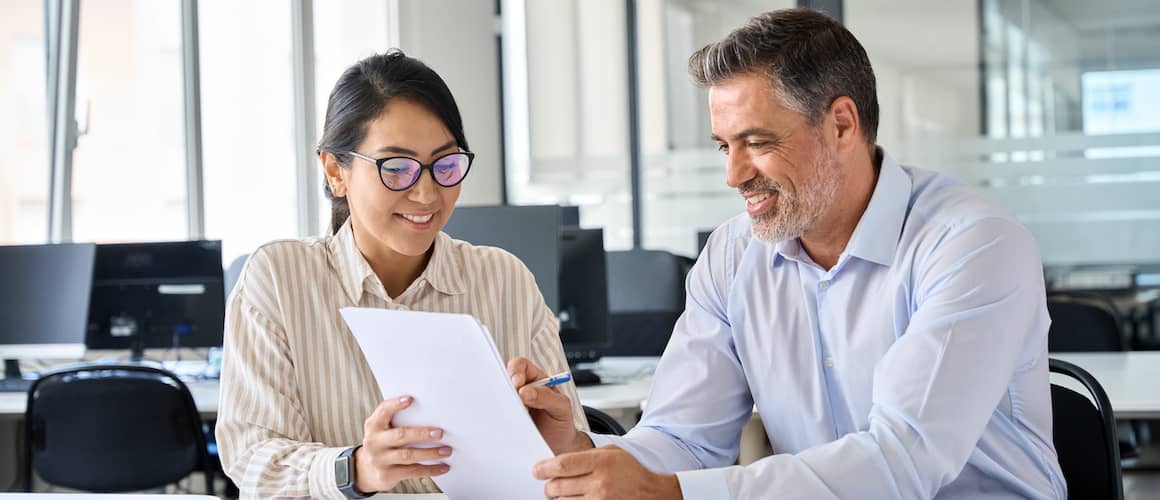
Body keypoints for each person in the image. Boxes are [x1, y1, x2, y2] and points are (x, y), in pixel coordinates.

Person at [509, 8, 1066, 499]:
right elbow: (685, 439)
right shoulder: (732, 255)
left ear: (842, 125)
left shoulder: (971, 242)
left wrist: (672, 494)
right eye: (725, 146)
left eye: (757, 143)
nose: (733, 175)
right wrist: (579, 453)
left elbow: (905, 460)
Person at [215, 50, 586, 499]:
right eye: (397, 168)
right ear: (336, 171)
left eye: (446, 166)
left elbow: (575, 458)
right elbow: (254, 459)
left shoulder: (504, 279)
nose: (427, 192)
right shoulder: (279, 278)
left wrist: (562, 442)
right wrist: (357, 469)